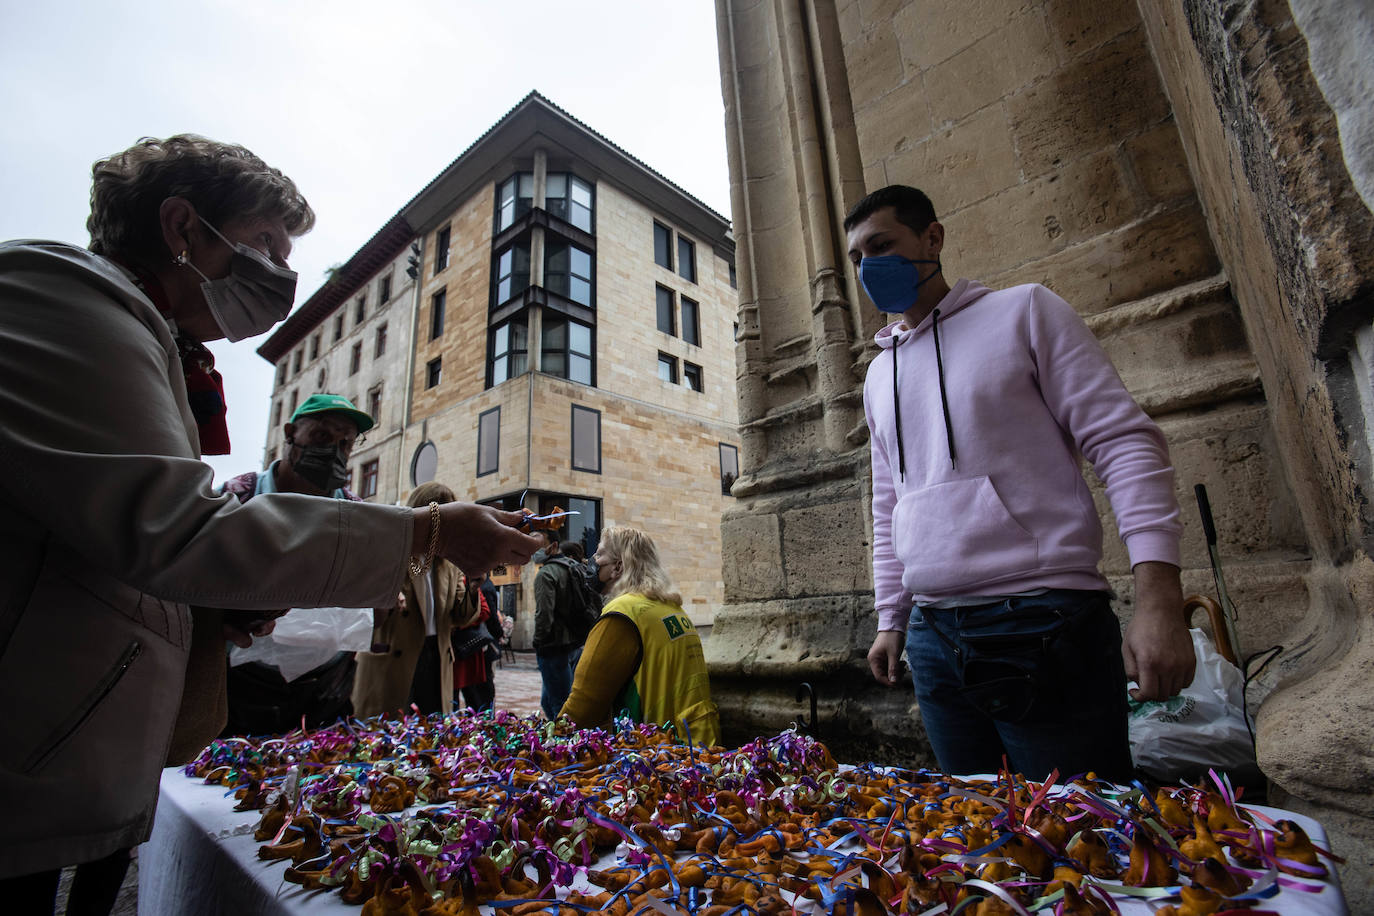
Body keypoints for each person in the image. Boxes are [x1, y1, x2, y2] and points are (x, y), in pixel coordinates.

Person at [0, 134, 541, 908]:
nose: (281, 275)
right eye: (264, 244)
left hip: (68, 757)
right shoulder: (63, 297)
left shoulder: (160, 344)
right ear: (183, 226)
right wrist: (429, 532)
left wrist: (214, 606)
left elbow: (106, 542)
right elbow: (175, 530)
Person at [847, 185, 1195, 780]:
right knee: (983, 831)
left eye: (881, 245)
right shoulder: (880, 373)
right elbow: (888, 505)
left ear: (933, 238)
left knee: (1078, 838)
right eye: (856, 258)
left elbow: (1122, 441)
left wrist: (1160, 600)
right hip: (933, 637)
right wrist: (891, 619)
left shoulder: (1027, 311)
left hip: (1043, 620)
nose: (867, 268)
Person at [218, 393, 375, 736]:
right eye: (321, 436)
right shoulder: (237, 498)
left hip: (328, 689)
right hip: (238, 686)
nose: (334, 450)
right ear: (290, 433)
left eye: (345, 443)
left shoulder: (356, 513)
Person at [560, 526, 719, 746]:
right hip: (695, 743)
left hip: (653, 753)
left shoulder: (622, 614)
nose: (591, 561)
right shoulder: (671, 608)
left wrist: (550, 739)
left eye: (598, 553)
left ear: (618, 566)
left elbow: (583, 704)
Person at [353, 483, 483, 717]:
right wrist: (386, 595)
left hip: (435, 659)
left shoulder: (448, 562)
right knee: (388, 738)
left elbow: (460, 617)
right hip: (394, 658)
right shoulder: (391, 549)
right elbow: (359, 597)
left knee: (430, 737)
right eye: (439, 520)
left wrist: (473, 587)